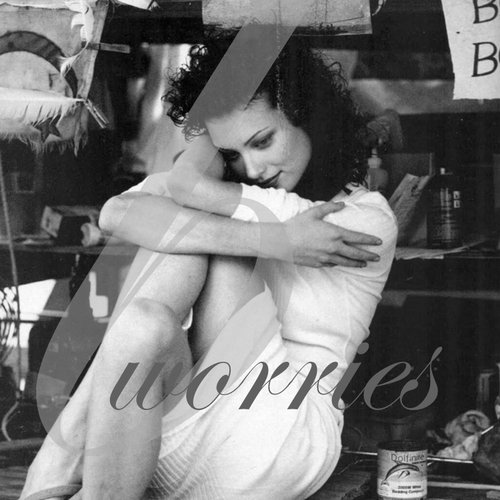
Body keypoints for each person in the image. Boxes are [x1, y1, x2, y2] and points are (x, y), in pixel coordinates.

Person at [21, 28, 397, 500]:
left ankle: (64, 450)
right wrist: (274, 239)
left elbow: (177, 197)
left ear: (309, 114)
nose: (253, 169)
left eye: (262, 141)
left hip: (277, 435)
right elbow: (115, 213)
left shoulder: (364, 216)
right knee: (144, 324)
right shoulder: (244, 200)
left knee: (189, 230)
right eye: (231, 154)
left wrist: (198, 168)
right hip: (175, 437)